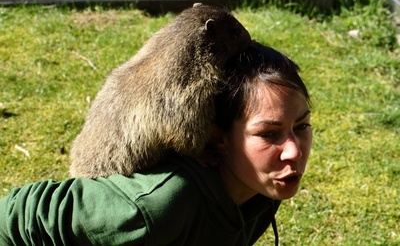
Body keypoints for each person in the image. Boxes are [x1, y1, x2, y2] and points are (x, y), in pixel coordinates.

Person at [0, 41, 312, 246]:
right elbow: (16, 217)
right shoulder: (154, 206)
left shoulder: (265, 184)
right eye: (269, 134)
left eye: (302, 126)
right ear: (218, 137)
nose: (294, 151)